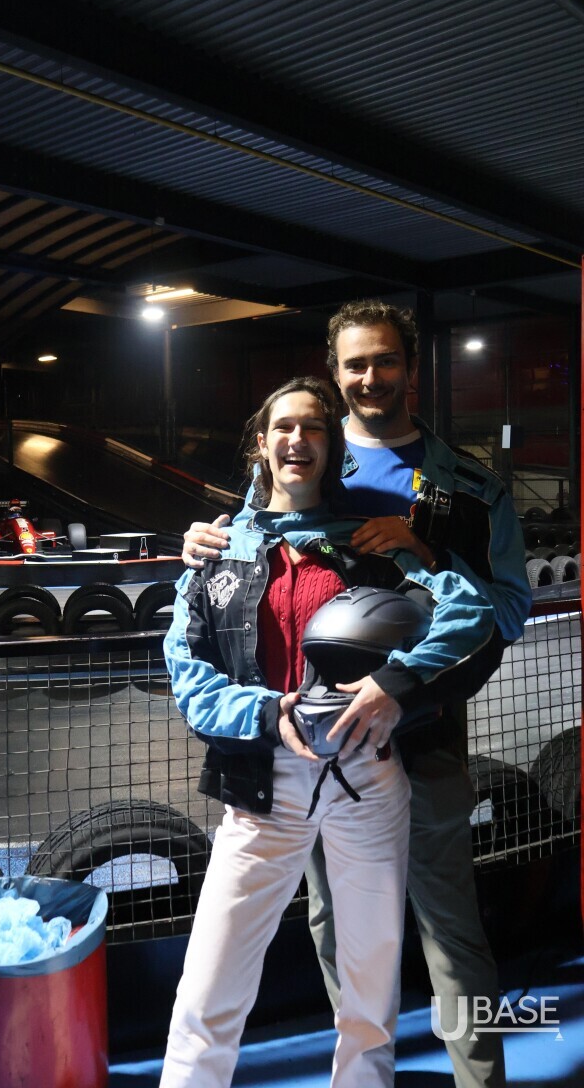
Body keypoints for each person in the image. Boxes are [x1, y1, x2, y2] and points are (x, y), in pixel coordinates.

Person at [181, 300, 532, 1088]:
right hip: (317, 743)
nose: (371, 377)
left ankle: (481, 1081)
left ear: (411, 366)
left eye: (385, 360)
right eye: (355, 364)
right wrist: (199, 542)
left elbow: (503, 611)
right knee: (335, 926)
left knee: (450, 930)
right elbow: (252, 541)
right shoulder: (306, 453)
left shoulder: (470, 487)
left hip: (421, 729)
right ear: (336, 374)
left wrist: (426, 552)